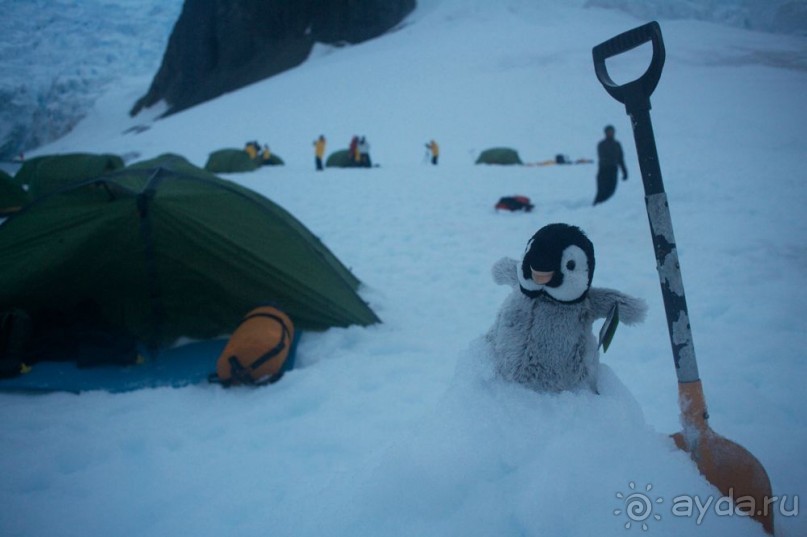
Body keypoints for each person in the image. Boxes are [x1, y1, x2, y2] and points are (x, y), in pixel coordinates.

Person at [593, 125, 627, 205]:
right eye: (608, 132)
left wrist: (624, 171)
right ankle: (596, 207)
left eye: (611, 131)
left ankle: (602, 207)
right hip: (604, 170)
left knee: (611, 191)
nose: (610, 133)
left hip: (613, 171)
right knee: (602, 192)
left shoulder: (617, 144)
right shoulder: (602, 144)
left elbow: (620, 159)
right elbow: (603, 157)